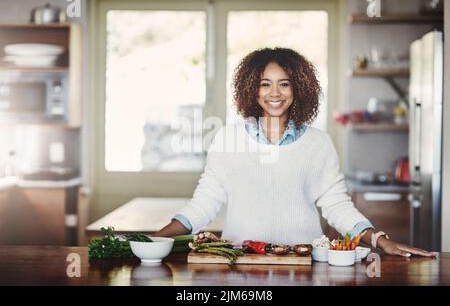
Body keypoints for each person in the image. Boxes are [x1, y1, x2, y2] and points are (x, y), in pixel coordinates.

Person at [154, 47, 434, 257]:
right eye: (265, 84)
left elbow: (336, 205)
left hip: (304, 262)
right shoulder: (228, 139)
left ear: (298, 89)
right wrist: (153, 240)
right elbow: (204, 203)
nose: (274, 93)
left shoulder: (318, 143)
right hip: (241, 261)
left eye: (284, 83)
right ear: (251, 90)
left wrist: (379, 240)